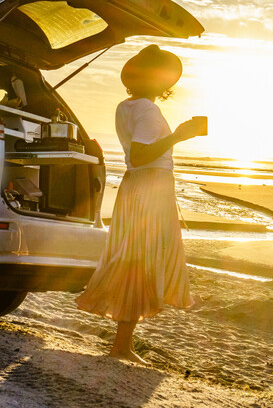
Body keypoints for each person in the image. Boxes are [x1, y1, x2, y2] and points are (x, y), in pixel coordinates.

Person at [75, 43, 203, 363]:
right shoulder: (147, 109)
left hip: (136, 186)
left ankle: (123, 344)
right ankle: (121, 346)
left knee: (134, 260)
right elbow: (140, 155)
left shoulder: (126, 106)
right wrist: (180, 135)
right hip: (149, 188)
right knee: (140, 262)